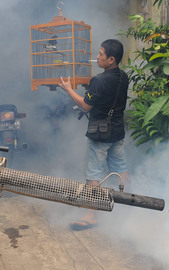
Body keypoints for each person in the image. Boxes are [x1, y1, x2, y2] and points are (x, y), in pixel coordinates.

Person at [58, 39, 130, 231]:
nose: (97, 56)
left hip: (100, 134)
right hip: (117, 131)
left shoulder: (98, 80)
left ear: (111, 59)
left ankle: (91, 215)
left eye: (101, 54)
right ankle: (125, 208)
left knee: (93, 174)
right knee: (120, 169)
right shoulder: (123, 77)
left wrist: (68, 89)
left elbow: (86, 105)